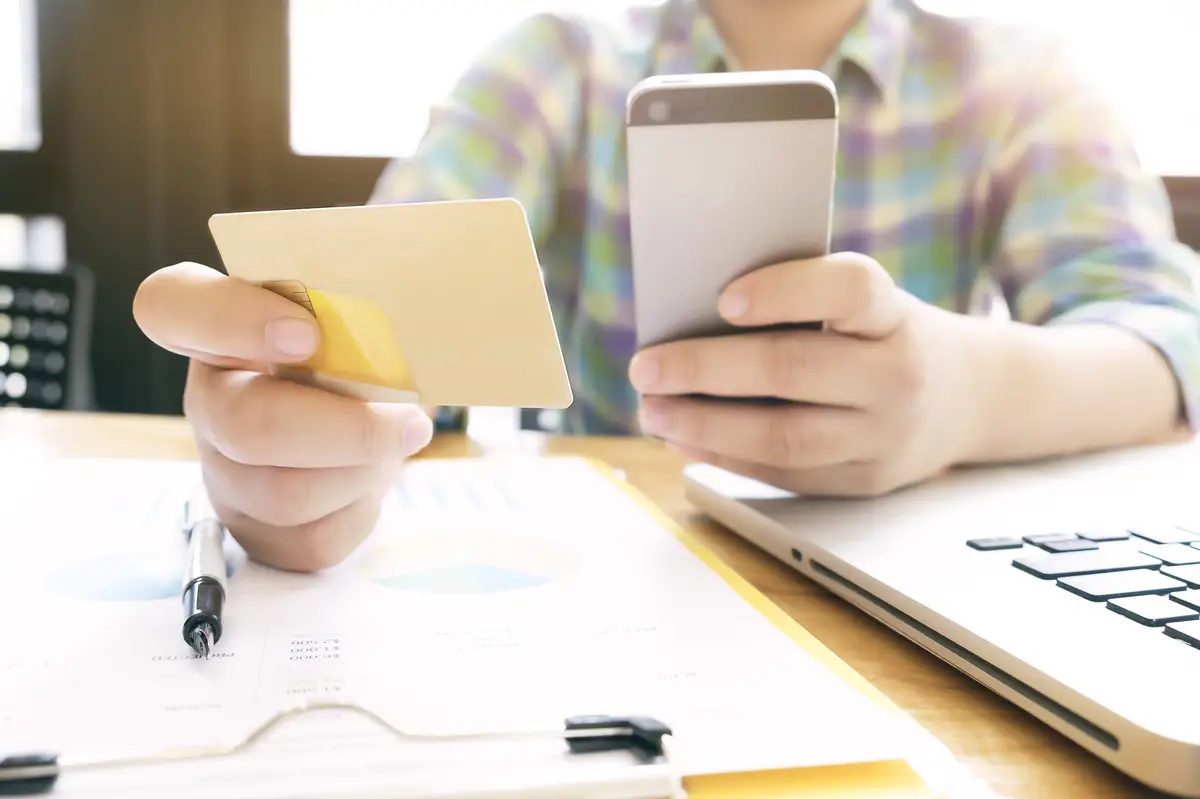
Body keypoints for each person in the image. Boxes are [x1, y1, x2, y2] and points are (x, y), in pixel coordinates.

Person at [133, 0, 1200, 572]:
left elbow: (1171, 343)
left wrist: (964, 393)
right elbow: (386, 308)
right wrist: (302, 429)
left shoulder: (1022, 80)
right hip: (634, 572)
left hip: (910, 591)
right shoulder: (558, 61)